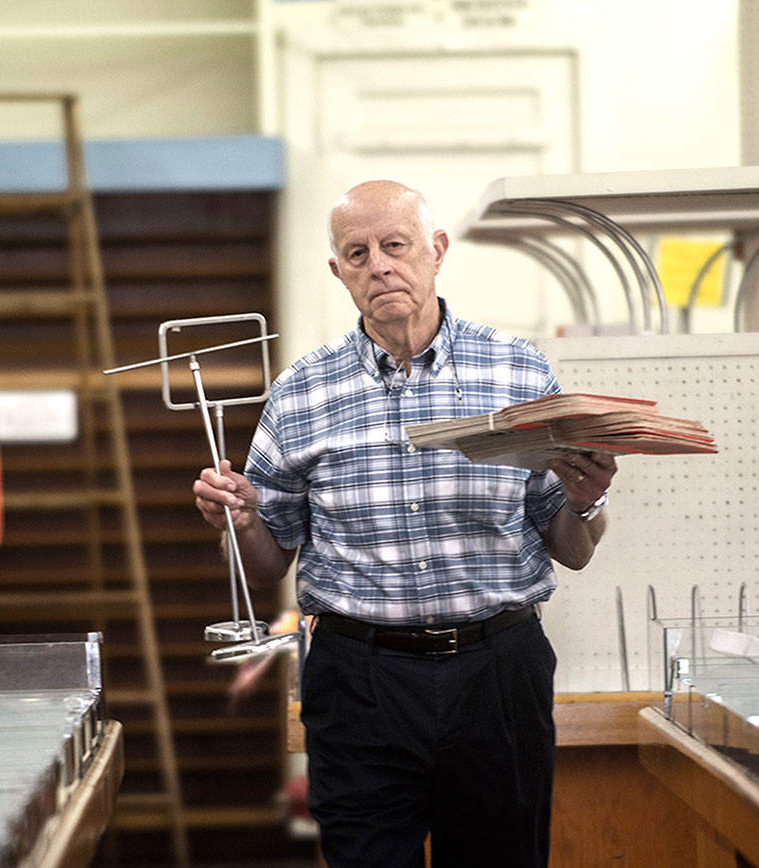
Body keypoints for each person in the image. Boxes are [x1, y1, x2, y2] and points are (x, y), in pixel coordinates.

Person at [192, 179, 616, 867]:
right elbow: (267, 564)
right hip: (358, 680)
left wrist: (586, 500)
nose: (378, 265)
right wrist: (237, 519)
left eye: (395, 246)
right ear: (339, 272)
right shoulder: (302, 391)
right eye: (357, 253)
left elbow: (572, 550)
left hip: (497, 675)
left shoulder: (516, 371)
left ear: (437, 250)